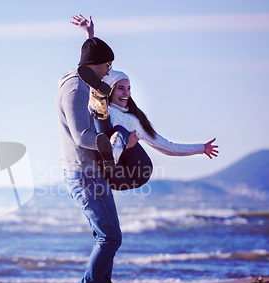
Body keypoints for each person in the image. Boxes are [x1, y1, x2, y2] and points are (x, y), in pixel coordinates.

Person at [71, 15, 219, 191]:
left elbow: (167, 147)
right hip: (112, 168)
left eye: (128, 88)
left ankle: (113, 152)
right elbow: (94, 67)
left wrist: (201, 148)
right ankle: (110, 150)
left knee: (118, 130)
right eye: (120, 88)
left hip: (135, 173)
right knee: (101, 119)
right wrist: (90, 35)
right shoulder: (104, 109)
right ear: (109, 90)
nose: (126, 93)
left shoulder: (133, 121)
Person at [56, 32, 142, 283]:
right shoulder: (74, 89)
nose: (110, 70)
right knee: (110, 237)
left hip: (94, 172)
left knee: (107, 236)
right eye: (108, 64)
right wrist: (118, 141)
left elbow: (90, 55)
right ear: (98, 64)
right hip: (84, 173)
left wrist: (90, 36)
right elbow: (82, 136)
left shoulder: (85, 82)